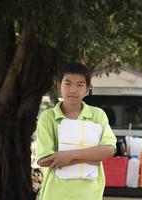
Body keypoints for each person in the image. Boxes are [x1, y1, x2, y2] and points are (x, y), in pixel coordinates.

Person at [36, 62, 117, 200]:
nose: (73, 90)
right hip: (55, 194)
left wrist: (69, 155)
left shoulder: (98, 115)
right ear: (58, 86)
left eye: (79, 85)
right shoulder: (47, 117)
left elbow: (109, 149)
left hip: (89, 193)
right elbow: (43, 160)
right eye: (68, 83)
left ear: (88, 89)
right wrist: (92, 156)